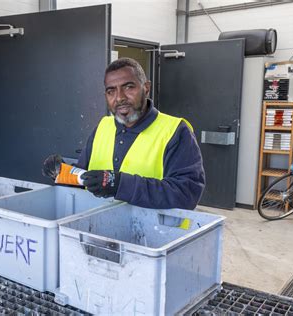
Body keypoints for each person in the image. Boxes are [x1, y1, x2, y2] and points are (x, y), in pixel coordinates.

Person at [43, 57, 205, 210]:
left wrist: (120, 184)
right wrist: (62, 172)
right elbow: (85, 177)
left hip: (155, 235)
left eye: (129, 87)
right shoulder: (103, 126)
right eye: (111, 91)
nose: (119, 97)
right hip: (98, 229)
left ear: (146, 88)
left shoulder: (175, 131)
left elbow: (186, 194)